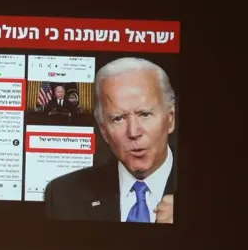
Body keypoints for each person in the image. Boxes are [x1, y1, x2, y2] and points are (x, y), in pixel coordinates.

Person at [44, 57, 176, 223]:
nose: (133, 132)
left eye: (145, 114)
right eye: (118, 118)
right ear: (104, 131)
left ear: (170, 119)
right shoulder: (63, 195)